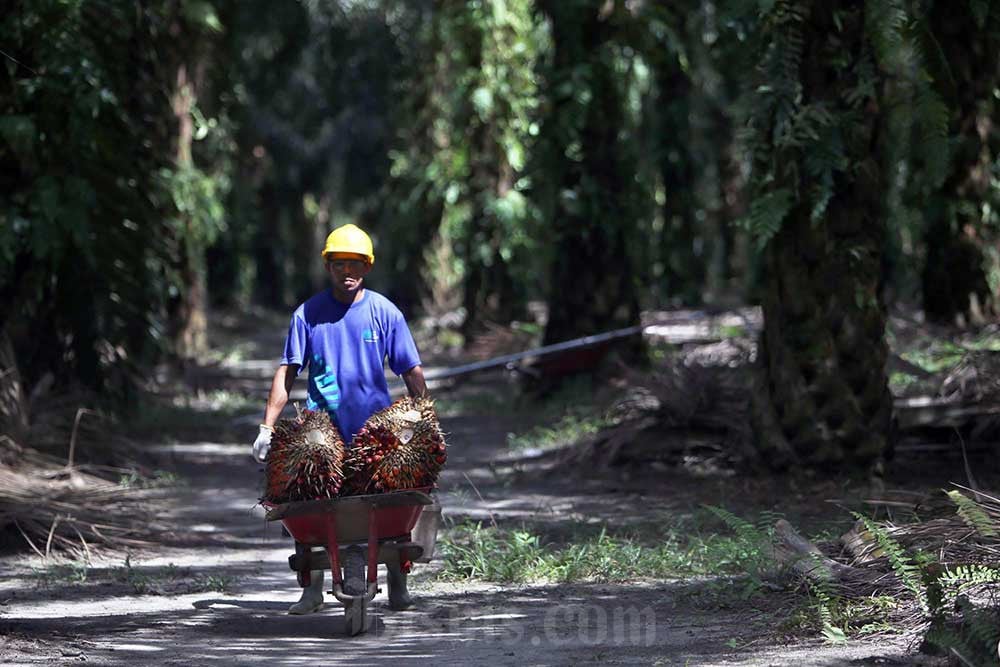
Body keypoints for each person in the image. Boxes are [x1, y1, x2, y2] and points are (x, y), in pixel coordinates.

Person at [250, 223, 428, 615]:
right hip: (320, 430)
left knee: (392, 502)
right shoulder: (308, 315)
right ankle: (311, 588)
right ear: (327, 266)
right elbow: (287, 372)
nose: (348, 272)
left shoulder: (385, 313)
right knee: (303, 497)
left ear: (367, 267)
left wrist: (424, 419)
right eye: (339, 264)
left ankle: (398, 578)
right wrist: (267, 427)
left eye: (356, 264)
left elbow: (410, 370)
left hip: (375, 431)